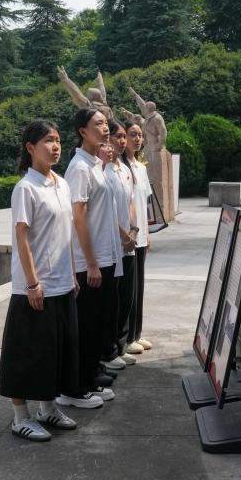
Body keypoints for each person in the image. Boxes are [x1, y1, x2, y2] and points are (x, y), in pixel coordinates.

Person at [0, 120, 81, 442]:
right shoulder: (25, 188)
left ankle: (48, 408)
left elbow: (67, 233)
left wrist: (72, 274)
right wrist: (32, 283)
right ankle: (21, 417)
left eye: (58, 140)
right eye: (48, 141)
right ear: (30, 148)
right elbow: (22, 237)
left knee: (54, 351)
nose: (55, 146)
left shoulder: (61, 183)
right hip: (35, 286)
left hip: (61, 282)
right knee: (25, 353)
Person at [59, 109, 119, 409]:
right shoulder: (79, 167)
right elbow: (78, 218)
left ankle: (88, 379)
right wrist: (91, 262)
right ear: (82, 130)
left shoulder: (96, 164)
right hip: (87, 262)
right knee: (85, 327)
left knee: (97, 325)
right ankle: (74, 389)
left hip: (104, 258)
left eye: (106, 123)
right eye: (98, 124)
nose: (105, 128)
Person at [103, 120, 140, 367]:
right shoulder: (103, 170)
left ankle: (120, 344)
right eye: (118, 136)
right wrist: (123, 236)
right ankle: (109, 350)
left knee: (126, 297)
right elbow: (106, 210)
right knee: (112, 302)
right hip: (114, 244)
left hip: (129, 243)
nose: (122, 141)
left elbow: (130, 202)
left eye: (124, 136)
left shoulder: (124, 169)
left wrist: (134, 231)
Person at [122, 121, 153, 353]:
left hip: (141, 236)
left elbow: (144, 205)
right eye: (133, 134)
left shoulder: (141, 168)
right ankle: (127, 338)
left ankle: (136, 333)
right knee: (129, 290)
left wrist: (148, 233)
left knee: (139, 288)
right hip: (128, 238)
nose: (137, 139)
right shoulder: (121, 167)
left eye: (140, 135)